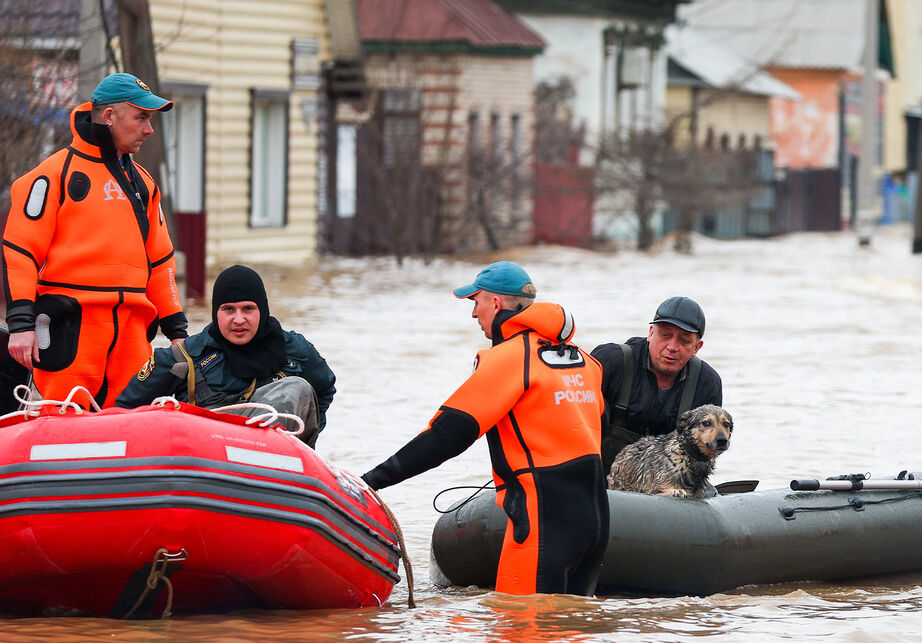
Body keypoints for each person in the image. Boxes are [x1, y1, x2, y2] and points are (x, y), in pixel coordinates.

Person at [361, 261, 609, 596]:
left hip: (541, 525)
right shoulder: (584, 362)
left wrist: (371, 482)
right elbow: (602, 428)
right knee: (570, 636)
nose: (474, 314)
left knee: (518, 637)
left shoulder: (509, 359)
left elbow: (447, 435)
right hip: (595, 523)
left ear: (495, 303)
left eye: (475, 303)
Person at [1, 72, 187, 406]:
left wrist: (178, 333)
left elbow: (161, 263)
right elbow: (20, 251)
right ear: (109, 116)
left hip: (132, 336)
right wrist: (20, 325)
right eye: (142, 117)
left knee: (133, 428)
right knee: (59, 427)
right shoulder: (53, 175)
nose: (149, 129)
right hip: (70, 331)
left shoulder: (144, 184)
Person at [116, 265, 335, 447]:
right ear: (215, 312)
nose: (238, 320)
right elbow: (124, 411)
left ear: (263, 310)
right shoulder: (184, 358)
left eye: (248, 309)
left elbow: (324, 390)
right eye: (228, 310)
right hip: (209, 461)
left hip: (275, 465)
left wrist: (306, 442)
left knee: (296, 387)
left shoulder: (296, 350)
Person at [591, 296, 723, 472]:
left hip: (668, 485)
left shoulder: (708, 383)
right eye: (665, 335)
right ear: (651, 333)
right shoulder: (611, 361)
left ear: (697, 348)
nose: (672, 347)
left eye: (684, 341)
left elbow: (708, 450)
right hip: (602, 476)